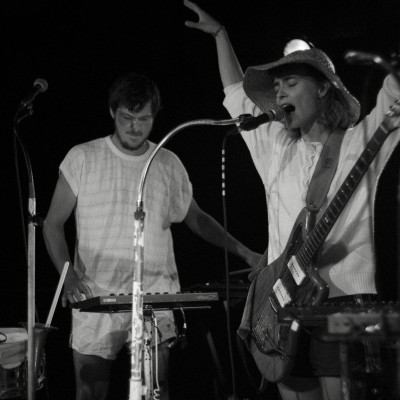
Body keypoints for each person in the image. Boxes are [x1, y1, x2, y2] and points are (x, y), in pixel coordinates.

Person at [184, 1, 400, 399]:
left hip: (346, 305)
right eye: (277, 86)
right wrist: (220, 35)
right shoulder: (276, 148)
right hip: (284, 305)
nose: (279, 92)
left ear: (323, 88)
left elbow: (393, 96)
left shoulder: (358, 141)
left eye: (291, 83)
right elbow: (236, 95)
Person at [42, 71, 261, 400]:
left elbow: (197, 219)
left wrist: (245, 252)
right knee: (90, 392)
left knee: (155, 392)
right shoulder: (82, 157)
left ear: (155, 116)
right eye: (127, 117)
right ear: (112, 112)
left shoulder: (167, 163)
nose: (135, 127)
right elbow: (52, 223)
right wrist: (68, 275)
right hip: (94, 295)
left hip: (156, 297)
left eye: (143, 119)